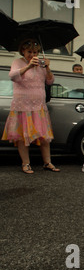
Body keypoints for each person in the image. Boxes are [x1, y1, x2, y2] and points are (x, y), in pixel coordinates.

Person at [2, 39, 60, 174]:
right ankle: (26, 164)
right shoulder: (18, 62)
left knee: (44, 136)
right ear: (23, 51)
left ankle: (48, 162)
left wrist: (47, 67)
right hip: (23, 106)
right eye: (29, 52)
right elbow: (12, 76)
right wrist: (28, 66)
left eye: (35, 52)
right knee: (23, 137)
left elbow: (50, 81)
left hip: (39, 106)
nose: (32, 54)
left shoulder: (41, 64)